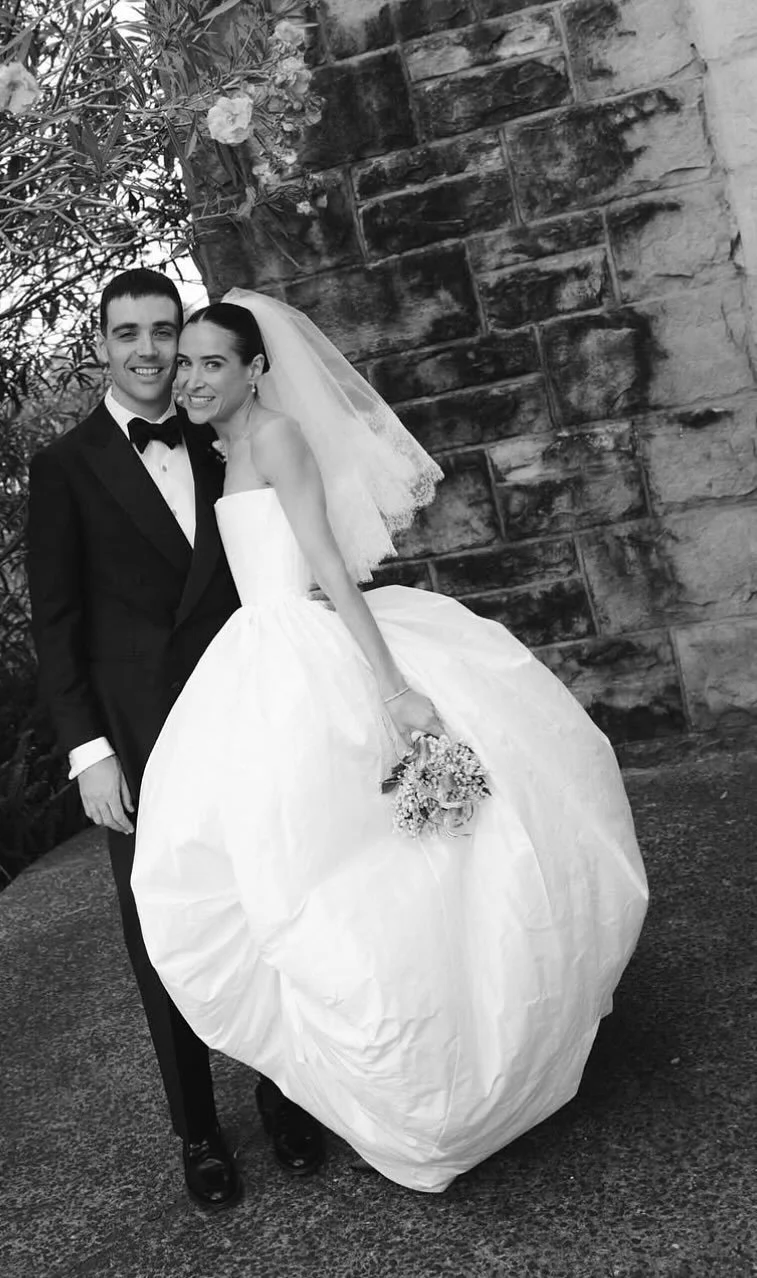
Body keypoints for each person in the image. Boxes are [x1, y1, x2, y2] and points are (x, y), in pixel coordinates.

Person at [130, 291, 650, 1193]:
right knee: (290, 861)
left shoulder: (277, 437)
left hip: (300, 653)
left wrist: (393, 687)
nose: (192, 376)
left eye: (214, 362)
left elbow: (324, 561)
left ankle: (439, 1063)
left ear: (257, 370)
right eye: (188, 362)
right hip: (259, 653)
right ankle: (368, 1064)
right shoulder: (225, 448)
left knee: (376, 862)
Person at [25, 270, 325, 1212]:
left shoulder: (224, 437)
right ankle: (197, 1128)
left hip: (245, 716)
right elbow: (55, 625)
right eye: (129, 334)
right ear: (101, 346)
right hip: (141, 742)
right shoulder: (64, 468)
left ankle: (286, 1092)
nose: (150, 352)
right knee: (160, 930)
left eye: (164, 331)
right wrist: (87, 754)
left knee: (270, 900)